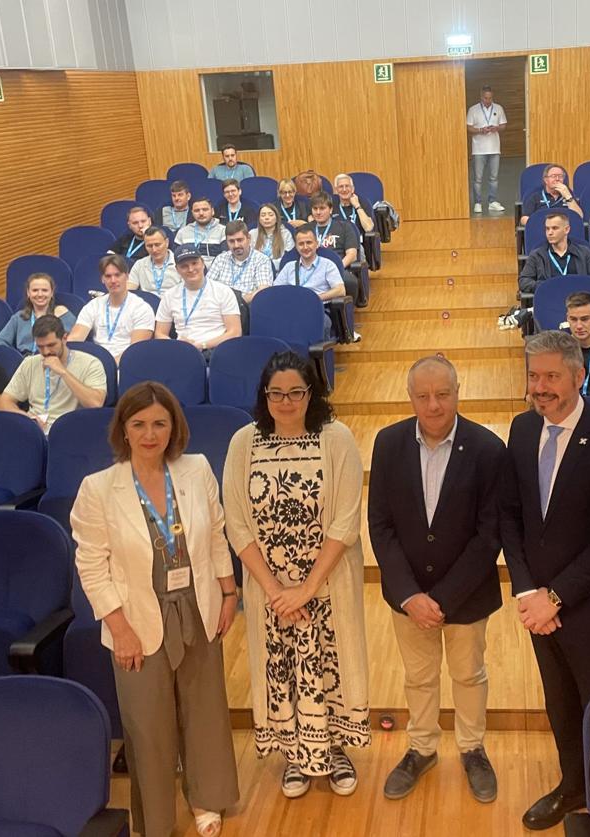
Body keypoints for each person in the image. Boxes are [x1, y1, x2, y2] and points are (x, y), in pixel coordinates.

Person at [71, 382, 239, 837]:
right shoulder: (98, 488)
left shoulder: (196, 468)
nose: (150, 434)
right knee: (149, 727)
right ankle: (156, 820)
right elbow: (91, 564)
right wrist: (119, 628)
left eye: (160, 423)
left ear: (174, 427)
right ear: (123, 429)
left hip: (197, 605)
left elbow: (218, 535)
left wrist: (228, 594)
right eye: (139, 424)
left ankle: (207, 799)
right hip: (135, 617)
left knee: (204, 711)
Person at [500, 329, 590, 831]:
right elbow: (510, 517)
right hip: (538, 606)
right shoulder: (520, 430)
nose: (540, 387)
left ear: (578, 376)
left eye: (551, 377)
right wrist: (526, 591)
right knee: (559, 702)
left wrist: (555, 597)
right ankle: (572, 789)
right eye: (533, 376)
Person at [223, 351, 370, 800]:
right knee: (281, 668)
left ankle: (335, 749)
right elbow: (236, 522)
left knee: (332, 665)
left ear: (312, 393)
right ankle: (294, 754)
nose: (286, 402)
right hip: (269, 589)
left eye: (296, 393)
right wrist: (275, 590)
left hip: (328, 581)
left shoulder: (336, 438)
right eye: (276, 393)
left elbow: (344, 520)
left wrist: (305, 589)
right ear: (264, 395)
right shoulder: (243, 442)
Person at [368, 356, 503, 803]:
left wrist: (441, 597)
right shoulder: (387, 444)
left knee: (469, 675)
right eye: (423, 396)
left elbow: (489, 536)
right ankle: (421, 748)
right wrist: (409, 594)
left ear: (457, 391)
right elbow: (381, 526)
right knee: (418, 678)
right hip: (408, 598)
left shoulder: (487, 449)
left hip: (465, 594)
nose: (433, 405)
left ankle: (472, 749)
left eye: (442, 394)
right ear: (410, 397)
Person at [0, 314, 107, 434]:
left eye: (51, 345)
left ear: (64, 338)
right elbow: (4, 401)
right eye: (40, 347)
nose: (46, 352)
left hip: (70, 429)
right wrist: (25, 418)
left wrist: (63, 372)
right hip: (34, 430)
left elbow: (95, 404)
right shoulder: (30, 363)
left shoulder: (90, 363)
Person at [155, 245, 242, 356]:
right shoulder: (169, 295)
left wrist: (202, 345)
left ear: (203, 263)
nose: (191, 269)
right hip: (181, 351)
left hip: (216, 350)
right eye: (184, 266)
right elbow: (160, 333)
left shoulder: (223, 291)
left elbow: (235, 332)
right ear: (177, 269)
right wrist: (176, 343)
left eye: (194, 263)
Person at [69, 254, 156, 361]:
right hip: (95, 364)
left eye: (117, 275)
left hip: (127, 364)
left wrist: (107, 367)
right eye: (108, 276)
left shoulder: (142, 308)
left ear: (127, 276)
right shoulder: (93, 305)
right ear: (102, 279)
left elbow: (135, 351)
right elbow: (75, 340)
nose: (113, 280)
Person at [274, 227, 349, 339]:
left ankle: (320, 355)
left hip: (318, 309)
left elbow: (340, 290)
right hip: (293, 310)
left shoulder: (327, 265)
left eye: (309, 242)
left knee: (322, 323)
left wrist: (315, 298)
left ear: (316, 244)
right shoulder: (289, 267)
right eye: (301, 244)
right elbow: (275, 291)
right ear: (296, 246)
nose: (305, 247)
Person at [517, 212, 590, 299]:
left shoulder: (584, 252)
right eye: (547, 229)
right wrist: (548, 286)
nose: (550, 233)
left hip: (579, 301)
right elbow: (524, 281)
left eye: (554, 228)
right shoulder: (537, 255)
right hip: (550, 300)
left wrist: (579, 286)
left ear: (567, 229)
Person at [0, 273, 75, 355]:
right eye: (35, 290)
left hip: (52, 359)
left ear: (51, 293)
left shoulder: (62, 315)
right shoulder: (19, 317)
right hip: (24, 362)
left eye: (44, 290)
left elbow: (72, 344)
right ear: (28, 293)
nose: (40, 294)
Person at [207, 220, 274, 304]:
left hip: (246, 308)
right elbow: (207, 287)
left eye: (240, 240)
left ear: (249, 238)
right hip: (219, 307)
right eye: (231, 241)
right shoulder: (220, 259)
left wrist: (236, 303)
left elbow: (263, 291)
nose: (236, 245)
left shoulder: (261, 260)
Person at [466, 85, 508, 214]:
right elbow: (468, 127)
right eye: (485, 98)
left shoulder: (498, 108)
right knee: (478, 178)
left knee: (493, 177)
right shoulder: (473, 110)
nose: (488, 100)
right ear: (481, 96)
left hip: (494, 148)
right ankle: (478, 203)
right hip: (479, 149)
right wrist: (480, 130)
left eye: (490, 98)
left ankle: (492, 202)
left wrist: (496, 128)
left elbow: (503, 125)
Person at [128, 226, 181, 295]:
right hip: (146, 303)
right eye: (149, 246)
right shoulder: (139, 264)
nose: (154, 250)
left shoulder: (181, 263)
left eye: (157, 245)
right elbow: (129, 290)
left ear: (167, 242)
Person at [175, 198, 227, 268]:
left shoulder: (223, 231)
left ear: (212, 211)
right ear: (192, 213)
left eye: (205, 210)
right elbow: (176, 259)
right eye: (197, 211)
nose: (201, 213)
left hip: (216, 272)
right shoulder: (183, 232)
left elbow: (225, 258)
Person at [250, 203, 294, 271]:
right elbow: (248, 257)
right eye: (263, 215)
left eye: (270, 215)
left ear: (277, 218)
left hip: (279, 272)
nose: (267, 218)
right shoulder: (252, 234)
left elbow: (288, 258)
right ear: (259, 219)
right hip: (256, 272)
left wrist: (268, 265)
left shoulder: (285, 234)